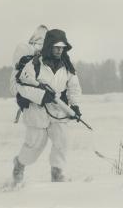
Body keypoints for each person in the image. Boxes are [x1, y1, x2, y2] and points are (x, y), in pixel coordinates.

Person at [10, 29, 82, 183]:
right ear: (49, 46)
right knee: (35, 144)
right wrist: (41, 96)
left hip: (58, 110)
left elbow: (74, 87)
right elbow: (21, 87)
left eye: (62, 47)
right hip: (37, 110)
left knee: (63, 140)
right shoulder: (34, 64)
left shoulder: (67, 66)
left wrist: (75, 106)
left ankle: (57, 172)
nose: (59, 50)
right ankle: (20, 164)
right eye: (56, 47)